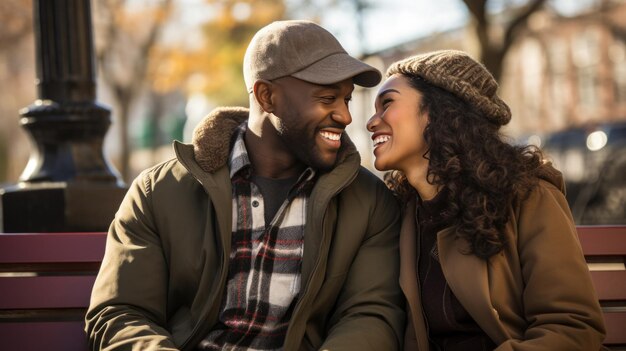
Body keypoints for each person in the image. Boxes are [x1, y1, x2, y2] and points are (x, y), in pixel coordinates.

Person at [86, 20, 404, 350]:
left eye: (346, 100)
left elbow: (370, 315)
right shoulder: (158, 192)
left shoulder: (369, 202)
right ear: (267, 97)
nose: (345, 116)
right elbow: (121, 313)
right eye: (327, 99)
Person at [366, 50, 606, 351]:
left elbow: (573, 327)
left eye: (387, 103)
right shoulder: (402, 215)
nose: (371, 122)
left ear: (439, 112)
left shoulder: (528, 197)